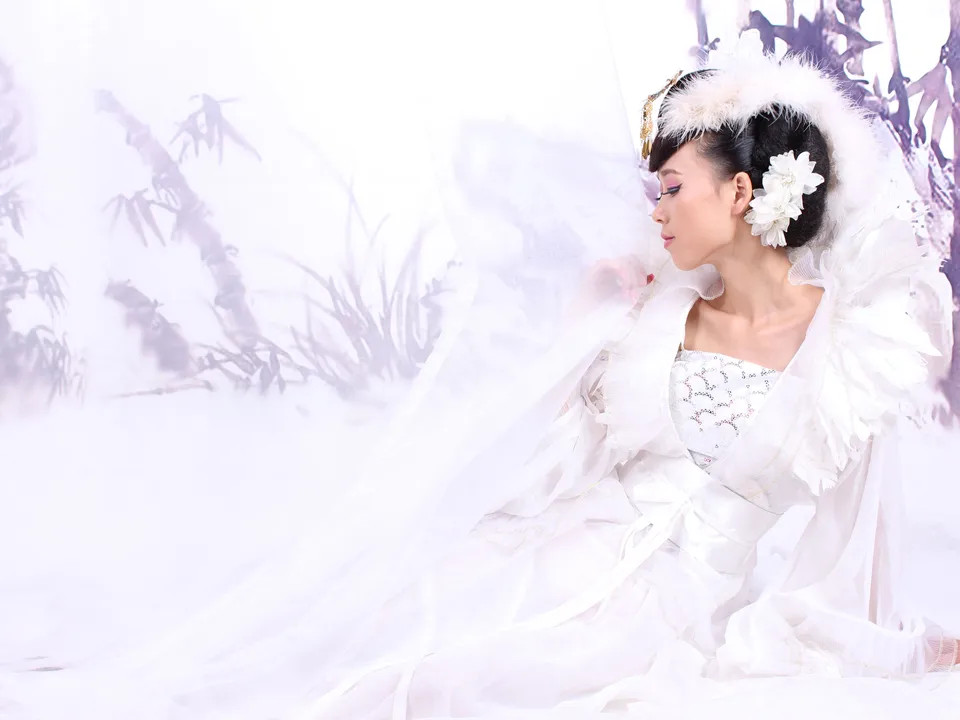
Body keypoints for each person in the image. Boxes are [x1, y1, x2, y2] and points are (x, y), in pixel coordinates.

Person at [307, 31, 960, 719]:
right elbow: (556, 469)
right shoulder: (662, 315)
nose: (657, 211)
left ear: (740, 191)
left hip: (664, 620)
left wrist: (897, 647)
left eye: (673, 188)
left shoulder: (848, 348)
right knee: (372, 631)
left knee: (463, 680)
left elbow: (852, 551)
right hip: (557, 549)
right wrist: (584, 318)